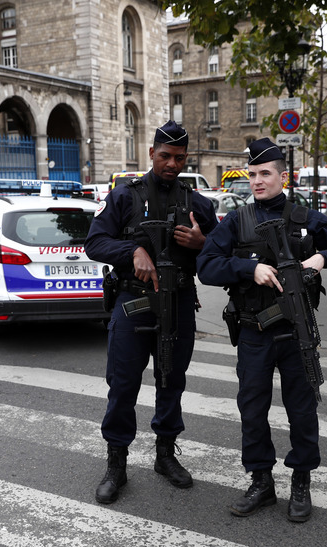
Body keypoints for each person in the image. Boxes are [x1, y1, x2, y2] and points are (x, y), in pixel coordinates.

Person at [196, 138, 327, 522]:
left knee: (302, 411)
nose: (257, 181)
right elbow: (206, 266)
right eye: (252, 174)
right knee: (252, 409)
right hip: (254, 331)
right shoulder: (237, 221)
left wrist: (323, 257)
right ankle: (261, 481)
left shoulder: (308, 220)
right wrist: (248, 269)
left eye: (265, 174)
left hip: (296, 333)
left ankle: (302, 481)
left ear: (283, 177)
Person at [85, 120, 218, 504]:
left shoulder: (198, 204)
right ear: (151, 154)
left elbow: (223, 254)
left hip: (178, 304)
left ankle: (164, 455)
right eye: (165, 156)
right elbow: (94, 241)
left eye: (179, 157)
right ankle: (116, 465)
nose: (172, 164)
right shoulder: (125, 196)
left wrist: (201, 241)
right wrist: (132, 252)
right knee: (123, 385)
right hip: (134, 302)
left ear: (186, 158)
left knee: (171, 382)